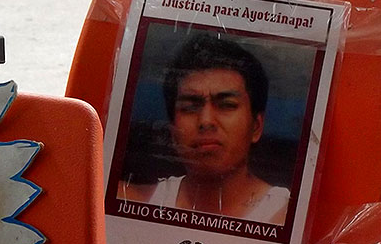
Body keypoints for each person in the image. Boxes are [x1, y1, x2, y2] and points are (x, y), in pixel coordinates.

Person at [120, 32, 290, 225]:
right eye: (190, 107)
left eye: (226, 105)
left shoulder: (288, 218)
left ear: (256, 127)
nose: (206, 121)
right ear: (173, 129)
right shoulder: (130, 202)